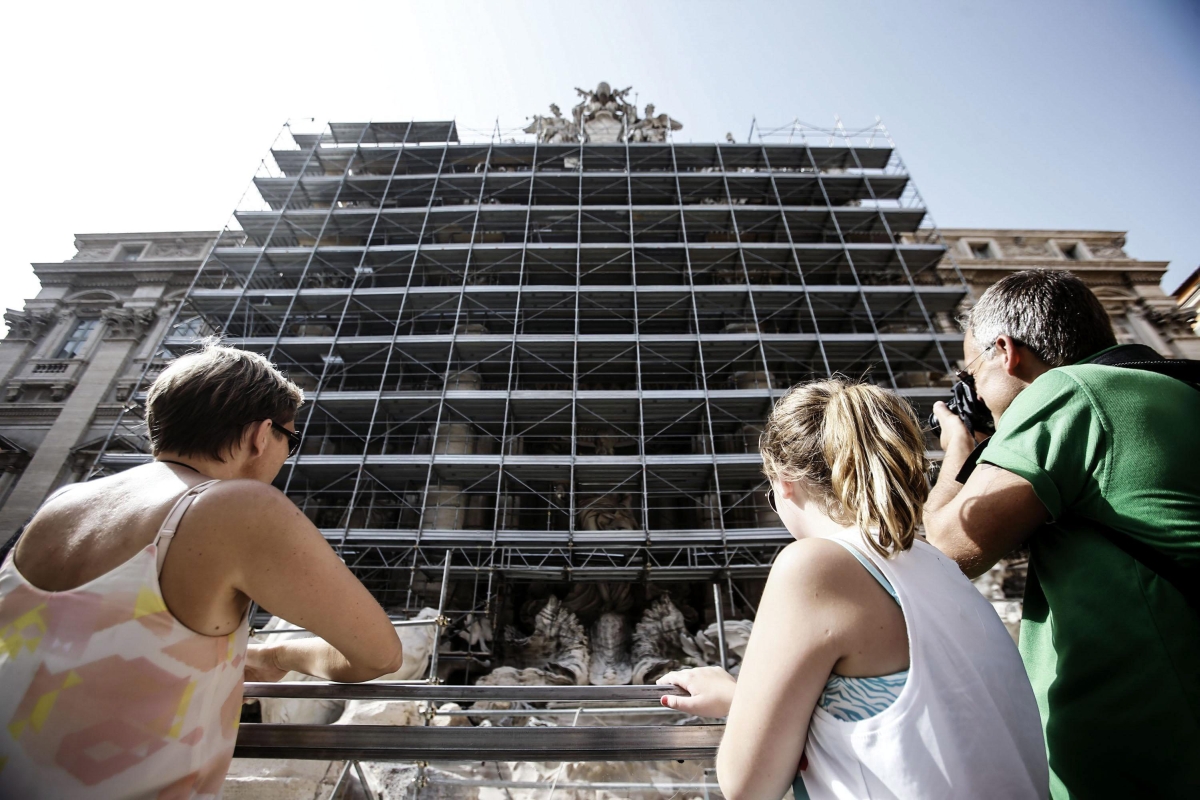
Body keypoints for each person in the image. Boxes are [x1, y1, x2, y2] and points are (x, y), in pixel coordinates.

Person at [0, 343, 405, 799]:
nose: (286, 457)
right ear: (260, 433)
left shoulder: (62, 503)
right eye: (289, 441)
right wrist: (277, 657)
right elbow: (380, 654)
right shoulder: (237, 505)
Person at [660, 379, 1047, 800]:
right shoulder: (939, 566)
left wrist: (743, 704)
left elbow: (746, 785)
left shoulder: (814, 566)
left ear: (784, 480)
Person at [924, 269, 1200, 798]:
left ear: (1005, 351)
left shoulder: (1069, 391)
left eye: (972, 374)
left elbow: (945, 551)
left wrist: (957, 449)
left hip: (1142, 747)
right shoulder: (1173, 390)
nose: (976, 394)